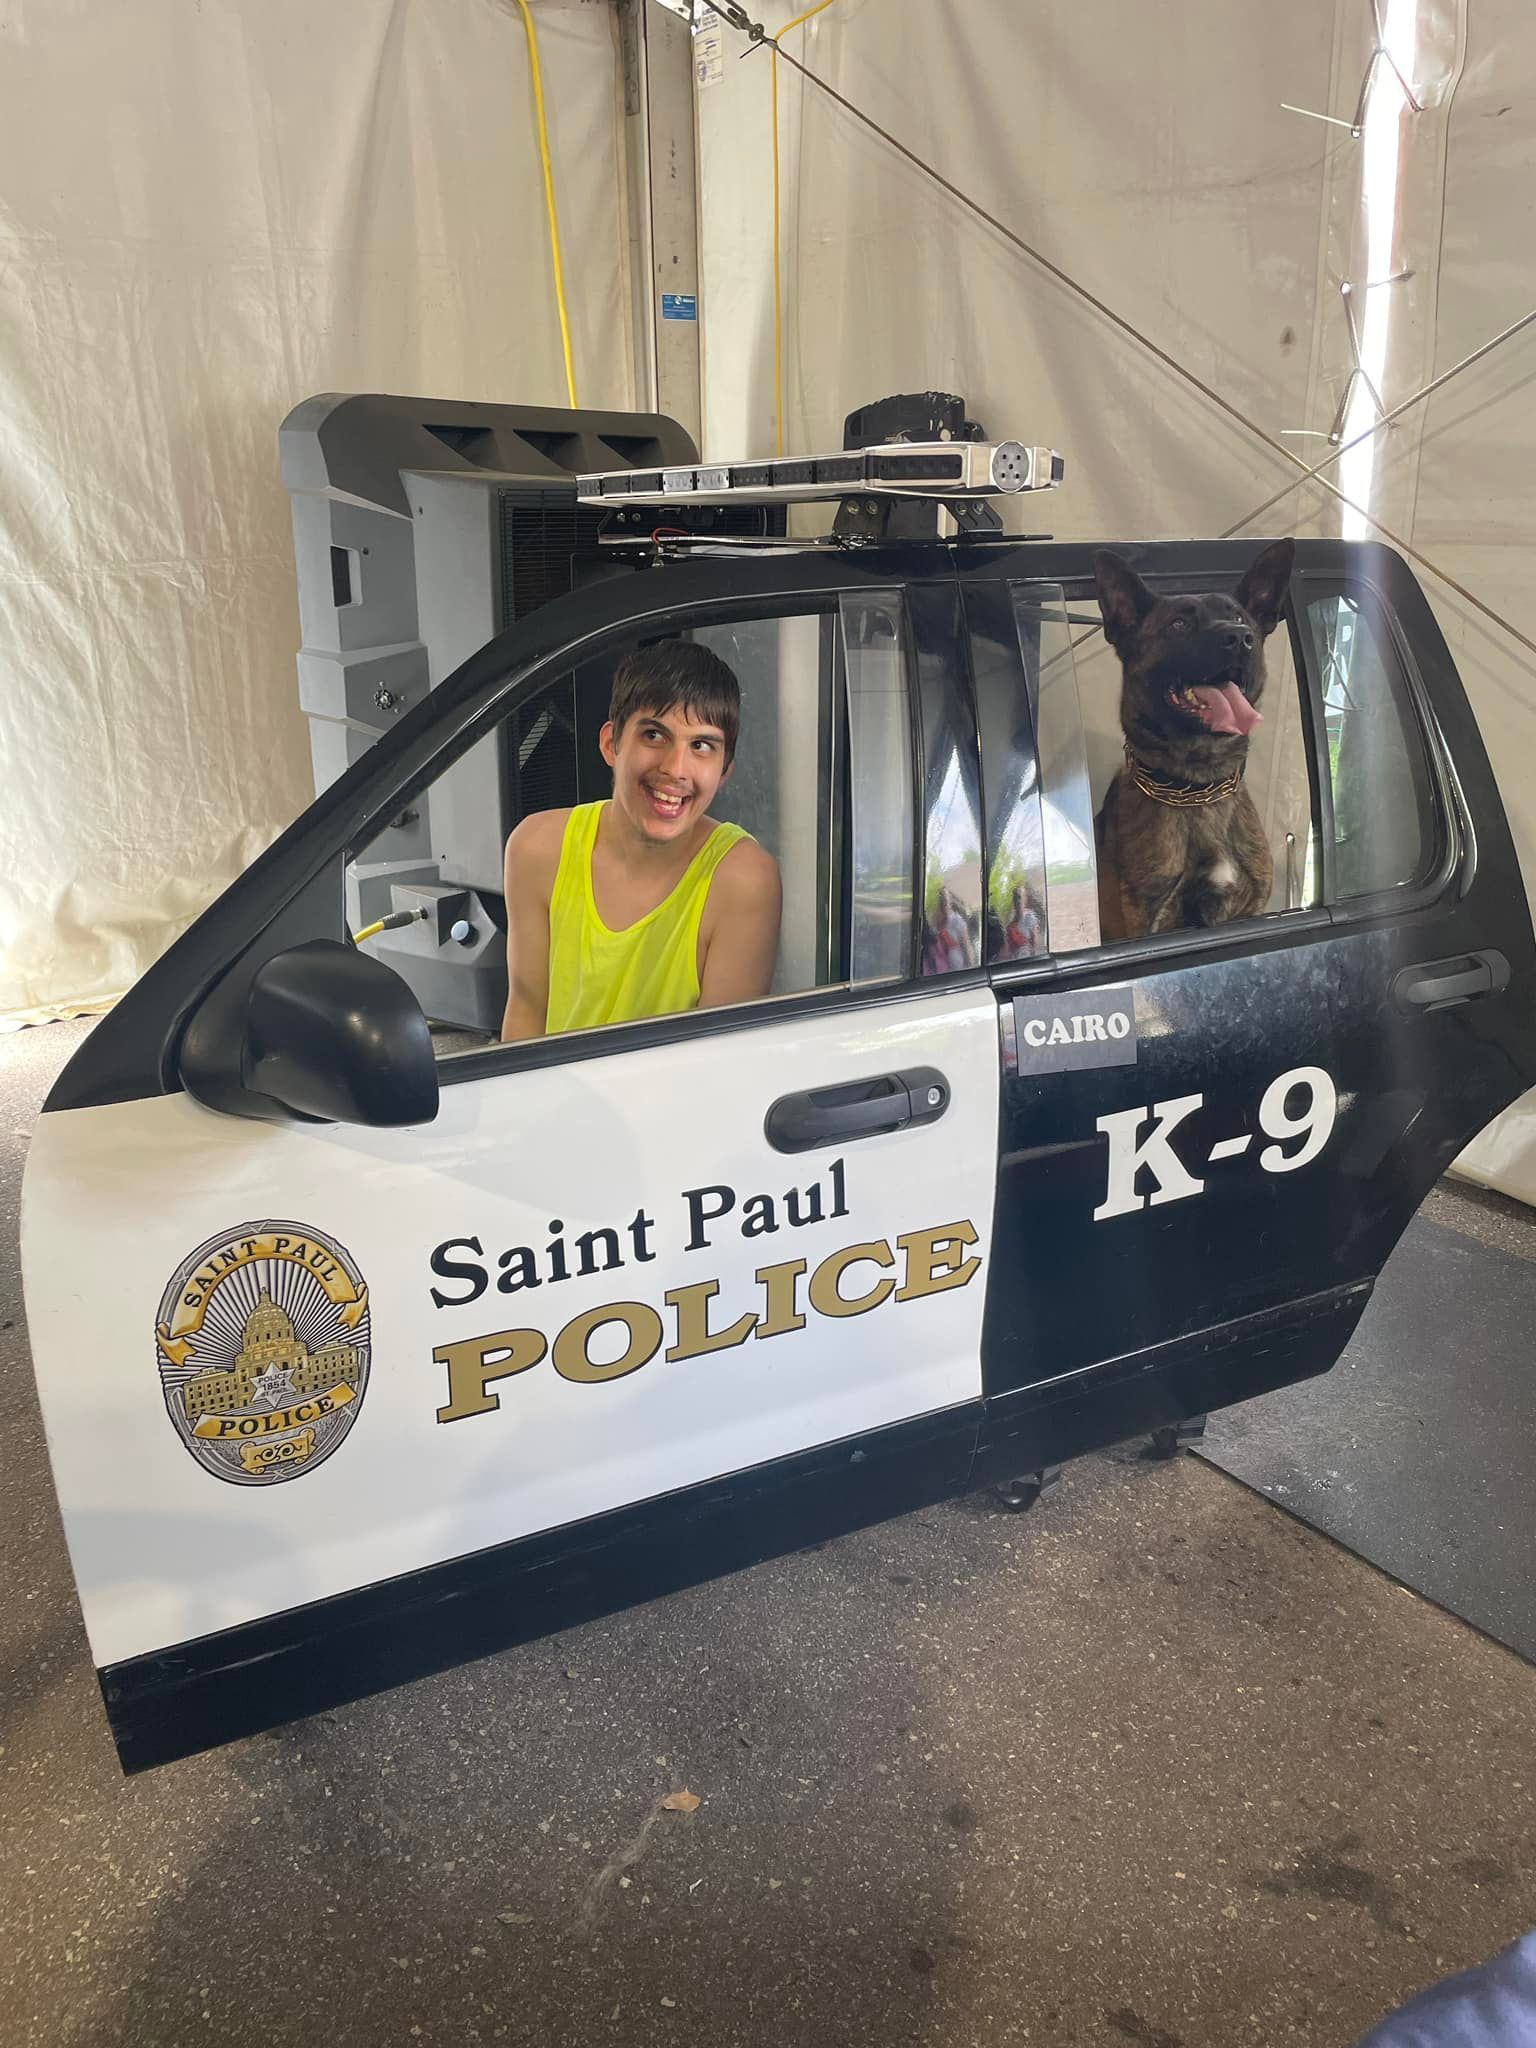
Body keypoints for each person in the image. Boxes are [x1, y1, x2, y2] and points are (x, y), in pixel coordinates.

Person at [500, 640, 782, 1041]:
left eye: (701, 746)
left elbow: (720, 1058)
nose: (675, 768)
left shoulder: (743, 881)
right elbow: (526, 1013)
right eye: (654, 735)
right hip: (557, 1084)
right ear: (611, 744)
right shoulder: (537, 849)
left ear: (724, 772)